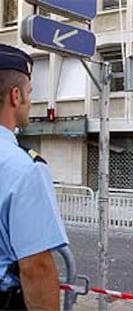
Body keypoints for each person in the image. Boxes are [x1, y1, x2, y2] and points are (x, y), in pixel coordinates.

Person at [0, 44, 68, 310]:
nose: (30, 101)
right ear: (15, 96)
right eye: (29, 93)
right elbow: (36, 268)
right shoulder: (24, 168)